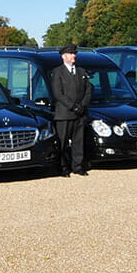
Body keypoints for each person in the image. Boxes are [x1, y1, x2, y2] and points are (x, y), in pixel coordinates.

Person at [48, 43, 93, 176]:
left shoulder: (81, 71)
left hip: (80, 113)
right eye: (71, 54)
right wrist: (73, 106)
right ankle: (62, 167)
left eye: (75, 54)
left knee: (78, 141)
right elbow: (58, 94)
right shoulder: (58, 72)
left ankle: (77, 166)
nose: (74, 56)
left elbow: (88, 90)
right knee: (62, 142)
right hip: (65, 113)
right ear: (64, 56)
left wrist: (83, 105)